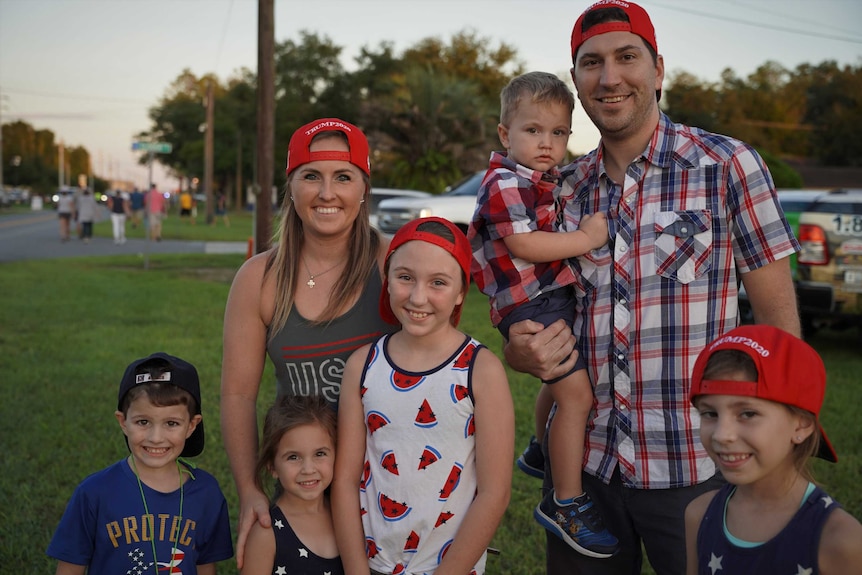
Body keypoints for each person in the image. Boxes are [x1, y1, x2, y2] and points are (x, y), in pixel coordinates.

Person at [503, 2, 802, 574]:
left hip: (698, 465)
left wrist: (777, 445)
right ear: (576, 81)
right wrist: (519, 350)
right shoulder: (559, 190)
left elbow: (776, 324)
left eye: (626, 58)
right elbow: (530, 300)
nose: (609, 77)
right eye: (591, 63)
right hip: (584, 476)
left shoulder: (728, 165)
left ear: (658, 70)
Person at [221, 118, 397, 569]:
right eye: (311, 176)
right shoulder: (259, 279)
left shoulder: (393, 261)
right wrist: (249, 491)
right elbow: (238, 395)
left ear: (363, 188)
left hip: (391, 481)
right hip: (306, 486)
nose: (326, 193)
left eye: (343, 177)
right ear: (291, 188)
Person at [467, 71, 615, 557]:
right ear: (505, 135)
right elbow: (524, 243)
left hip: (545, 294)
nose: (547, 143)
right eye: (533, 131)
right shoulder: (505, 182)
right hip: (529, 301)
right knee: (577, 397)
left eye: (558, 133)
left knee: (559, 384)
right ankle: (566, 502)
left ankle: (538, 447)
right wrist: (588, 239)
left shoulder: (540, 179)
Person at [331, 217, 514, 575]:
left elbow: (495, 493)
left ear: (462, 290)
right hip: (372, 565)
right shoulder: (362, 366)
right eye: (405, 277)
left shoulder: (482, 371)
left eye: (438, 283)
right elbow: (345, 480)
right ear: (387, 281)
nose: (418, 297)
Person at [684, 324, 862, 575]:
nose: (722, 435)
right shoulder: (699, 515)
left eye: (747, 413)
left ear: (801, 425)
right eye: (710, 413)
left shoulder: (841, 541)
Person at [46, 352, 234, 574]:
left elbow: (205, 567)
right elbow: (70, 568)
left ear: (192, 425)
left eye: (171, 423)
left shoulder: (207, 492)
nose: (155, 437)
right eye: (143, 421)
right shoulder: (93, 493)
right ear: (123, 422)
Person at [241, 394, 344, 575]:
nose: (308, 469)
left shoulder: (345, 515)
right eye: (293, 457)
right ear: (272, 466)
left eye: (319, 454)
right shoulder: (267, 534)